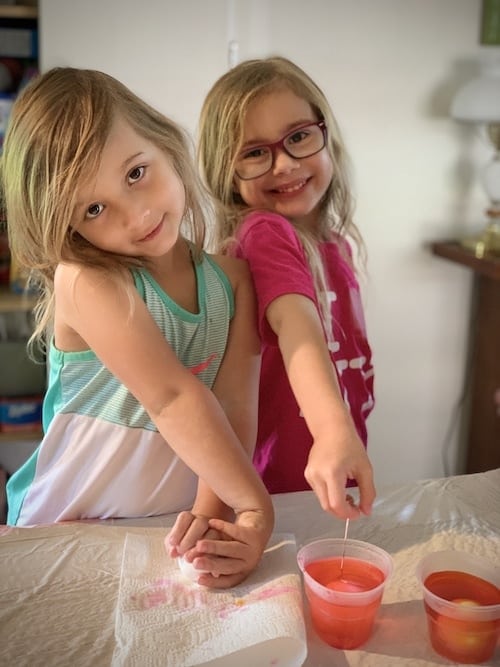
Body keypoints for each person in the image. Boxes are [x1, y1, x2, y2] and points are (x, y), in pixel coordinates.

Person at [0, 67, 274, 588]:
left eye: (135, 173)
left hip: (153, 534)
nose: (136, 214)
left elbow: (233, 408)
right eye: (95, 208)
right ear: (69, 226)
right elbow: (172, 397)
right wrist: (256, 506)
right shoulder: (87, 280)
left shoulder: (234, 281)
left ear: (163, 141)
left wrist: (218, 518)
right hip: (59, 533)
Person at [198, 56, 376, 520]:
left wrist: (341, 438)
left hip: (323, 477)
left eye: (299, 136)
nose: (284, 163)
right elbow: (296, 326)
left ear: (325, 134)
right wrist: (334, 428)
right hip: (276, 492)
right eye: (255, 153)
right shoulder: (264, 233)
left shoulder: (335, 245)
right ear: (228, 174)